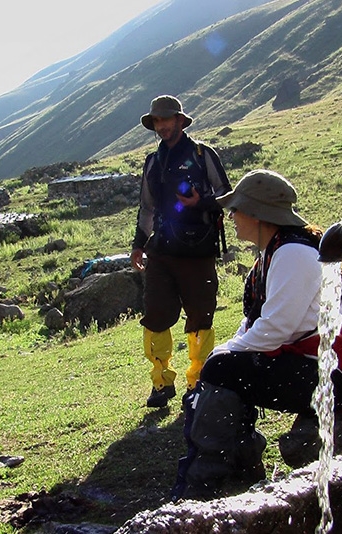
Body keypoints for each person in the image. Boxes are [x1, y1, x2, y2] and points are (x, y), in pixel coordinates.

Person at [172, 169, 342, 500]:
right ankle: (232, 473)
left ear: (258, 214)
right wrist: (228, 352)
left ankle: (208, 483)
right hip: (322, 366)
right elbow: (255, 324)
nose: (231, 216)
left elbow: (275, 329)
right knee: (224, 368)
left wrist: (223, 356)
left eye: (237, 209)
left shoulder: (293, 253)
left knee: (222, 369)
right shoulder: (275, 252)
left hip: (341, 377)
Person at [131, 95, 231, 408]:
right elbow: (147, 207)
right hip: (160, 250)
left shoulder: (204, 155)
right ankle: (161, 383)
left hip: (198, 250)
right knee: (156, 316)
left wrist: (199, 203)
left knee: (200, 317)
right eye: (156, 122)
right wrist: (138, 243)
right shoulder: (152, 162)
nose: (161, 126)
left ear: (179, 120)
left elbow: (227, 195)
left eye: (166, 120)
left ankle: (198, 382)